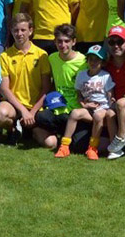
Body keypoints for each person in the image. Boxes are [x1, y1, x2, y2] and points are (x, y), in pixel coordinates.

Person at [0, 13, 54, 147]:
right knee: (0, 114)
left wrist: (31, 112)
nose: (19, 34)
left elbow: (46, 88)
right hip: (14, 106)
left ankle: (28, 131)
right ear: (11, 31)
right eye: (15, 30)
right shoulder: (5, 56)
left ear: (31, 31)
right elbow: (4, 88)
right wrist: (23, 111)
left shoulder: (42, 55)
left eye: (23, 30)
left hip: (36, 107)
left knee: (51, 143)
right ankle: (12, 129)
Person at [54, 44, 117, 160]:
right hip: (88, 109)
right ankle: (64, 145)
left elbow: (110, 95)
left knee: (98, 116)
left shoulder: (105, 76)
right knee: (75, 113)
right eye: (90, 59)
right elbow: (78, 95)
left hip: (103, 108)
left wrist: (110, 108)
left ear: (102, 62)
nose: (93, 62)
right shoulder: (81, 75)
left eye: (97, 60)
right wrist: (84, 104)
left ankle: (92, 148)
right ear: (87, 60)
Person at [36, 24, 91, 153]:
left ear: (74, 42)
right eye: (59, 41)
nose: (63, 45)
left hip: (77, 111)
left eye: (67, 41)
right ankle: (54, 133)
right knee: (40, 117)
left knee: (78, 147)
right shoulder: (52, 58)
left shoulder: (84, 62)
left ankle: (66, 134)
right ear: (55, 42)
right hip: (59, 107)